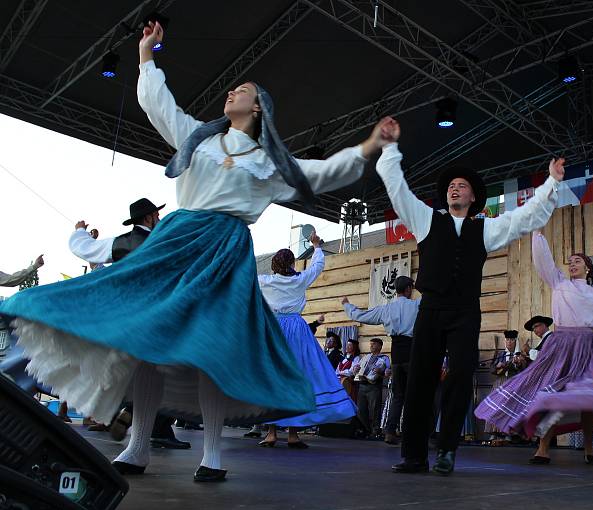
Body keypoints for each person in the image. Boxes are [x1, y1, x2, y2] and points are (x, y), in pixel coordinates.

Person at [0, 20, 390, 482]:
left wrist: (368, 146)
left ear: (259, 107)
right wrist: (147, 56)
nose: (231, 93)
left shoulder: (268, 162)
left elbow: (320, 173)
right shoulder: (198, 139)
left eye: (242, 90)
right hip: (179, 240)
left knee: (213, 347)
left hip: (224, 250)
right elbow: (159, 107)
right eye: (231, 89)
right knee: (148, 341)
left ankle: (213, 456)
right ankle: (137, 445)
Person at [375, 117, 561, 476]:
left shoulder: (486, 228)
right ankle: (414, 455)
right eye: (451, 186)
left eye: (462, 186)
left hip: (464, 311)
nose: (455, 189)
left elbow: (525, 217)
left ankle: (446, 450)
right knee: (420, 381)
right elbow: (396, 188)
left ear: (474, 197)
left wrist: (551, 181)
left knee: (460, 377)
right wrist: (390, 148)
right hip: (430, 309)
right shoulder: (426, 219)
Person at [476, 232, 593, 466]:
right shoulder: (559, 282)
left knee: (587, 399)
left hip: (588, 345)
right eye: (570, 261)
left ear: (587, 268)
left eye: (577, 261)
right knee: (553, 394)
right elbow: (542, 259)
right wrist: (537, 232)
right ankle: (543, 448)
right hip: (563, 344)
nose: (572, 264)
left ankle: (589, 449)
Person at [70, 201, 189, 449]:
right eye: (157, 214)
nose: (159, 217)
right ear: (148, 218)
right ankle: (140, 417)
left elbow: (87, 250)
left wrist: (79, 231)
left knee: (138, 370)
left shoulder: (125, 242)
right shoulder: (165, 241)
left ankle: (127, 414)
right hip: (163, 316)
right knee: (171, 373)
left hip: (132, 316)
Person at [258, 232, 356, 448]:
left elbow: (244, 278)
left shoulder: (265, 281)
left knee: (274, 378)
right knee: (300, 377)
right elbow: (317, 267)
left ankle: (272, 433)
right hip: (296, 329)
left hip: (274, 329)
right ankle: (293, 434)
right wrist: (316, 246)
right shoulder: (299, 279)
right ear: (292, 263)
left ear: (274, 264)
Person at [342, 275, 418, 445]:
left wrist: (347, 305)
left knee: (398, 395)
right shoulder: (416, 306)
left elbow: (362, 316)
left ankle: (390, 431)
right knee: (415, 395)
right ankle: (413, 434)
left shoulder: (386, 309)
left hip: (397, 354)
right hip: (413, 351)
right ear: (408, 289)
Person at [485, 330, 527, 446]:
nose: (509, 342)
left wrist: (518, 364)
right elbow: (492, 369)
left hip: (513, 383)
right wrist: (498, 366)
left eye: (512, 340)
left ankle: (510, 433)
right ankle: (495, 432)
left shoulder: (520, 355)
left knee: (510, 408)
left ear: (515, 341)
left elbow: (523, 370)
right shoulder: (501, 354)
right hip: (500, 383)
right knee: (496, 408)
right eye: (507, 340)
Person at [353, 338, 389, 438]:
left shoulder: (384, 358)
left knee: (375, 409)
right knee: (361, 409)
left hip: (374, 385)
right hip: (362, 385)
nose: (371, 346)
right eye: (371, 344)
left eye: (374, 344)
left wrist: (381, 372)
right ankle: (365, 430)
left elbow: (387, 373)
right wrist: (356, 369)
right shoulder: (365, 357)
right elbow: (357, 369)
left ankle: (376, 431)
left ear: (380, 346)